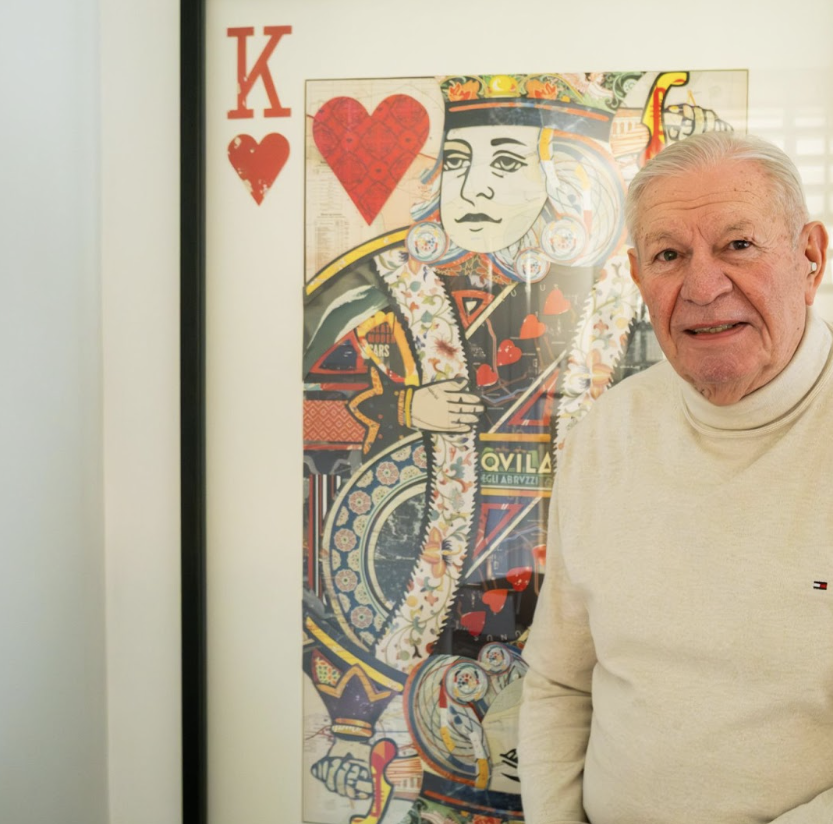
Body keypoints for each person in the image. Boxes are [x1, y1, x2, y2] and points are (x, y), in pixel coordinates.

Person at [518, 131, 833, 824]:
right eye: (669, 255)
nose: (703, 287)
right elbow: (559, 685)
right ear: (638, 277)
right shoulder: (603, 434)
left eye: (738, 245)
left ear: (810, 257)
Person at [301, 72, 735, 824]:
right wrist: (405, 409)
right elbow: (298, 420)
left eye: (505, 163)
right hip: (418, 582)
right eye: (458, 162)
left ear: (568, 178)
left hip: (592, 598)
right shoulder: (378, 287)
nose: (473, 187)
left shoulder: (638, 298)